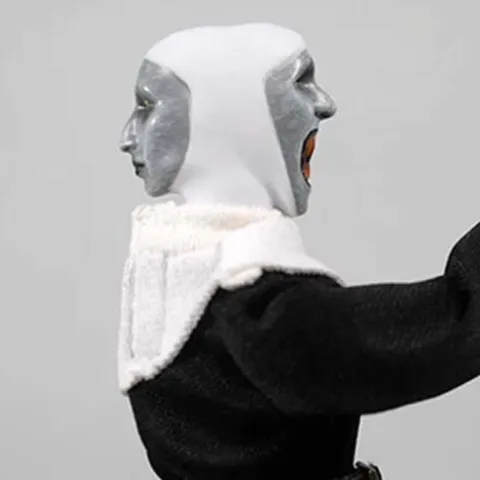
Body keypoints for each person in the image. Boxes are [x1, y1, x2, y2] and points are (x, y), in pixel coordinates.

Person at [118, 23, 480, 480]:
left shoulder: (175, 279)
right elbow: (446, 325)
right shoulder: (250, 306)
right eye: (300, 83)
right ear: (233, 118)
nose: (324, 104)